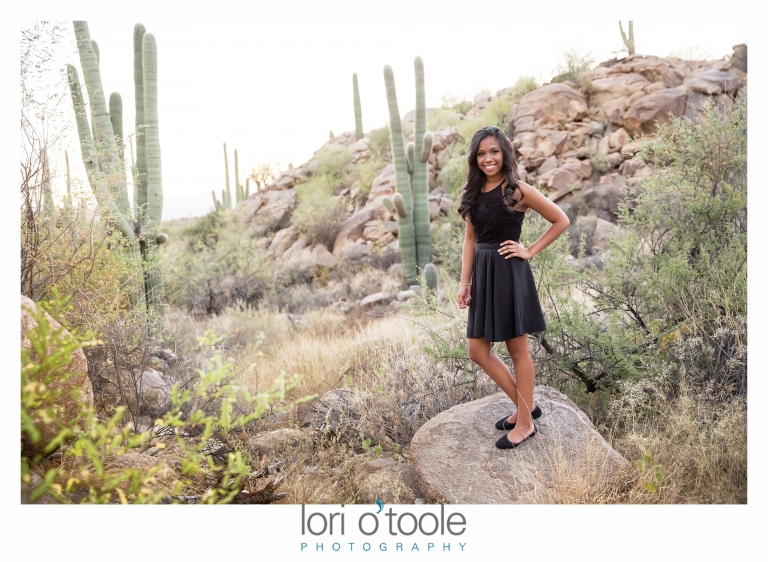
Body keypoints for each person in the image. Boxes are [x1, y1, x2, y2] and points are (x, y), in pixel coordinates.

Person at [457, 126, 569, 449]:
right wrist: (465, 282)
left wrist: (529, 250)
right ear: (475, 158)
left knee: (517, 349)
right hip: (483, 273)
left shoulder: (517, 189)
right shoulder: (473, 194)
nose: (488, 159)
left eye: (494, 151)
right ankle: (527, 406)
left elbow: (561, 220)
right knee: (477, 350)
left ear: (504, 153)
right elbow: (470, 239)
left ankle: (524, 423)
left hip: (508, 271)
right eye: (481, 153)